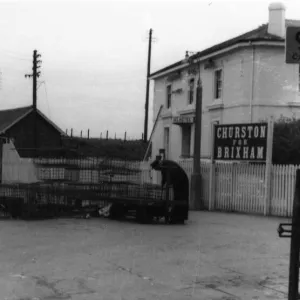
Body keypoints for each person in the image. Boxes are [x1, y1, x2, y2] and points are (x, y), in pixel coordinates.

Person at [150, 156, 189, 222]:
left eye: (156, 169)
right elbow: (164, 178)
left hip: (182, 180)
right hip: (179, 180)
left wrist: (167, 183)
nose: (157, 170)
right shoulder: (163, 165)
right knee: (177, 197)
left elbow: (168, 176)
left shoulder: (165, 165)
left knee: (181, 198)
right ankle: (177, 217)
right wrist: (162, 185)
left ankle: (179, 217)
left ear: (158, 166)